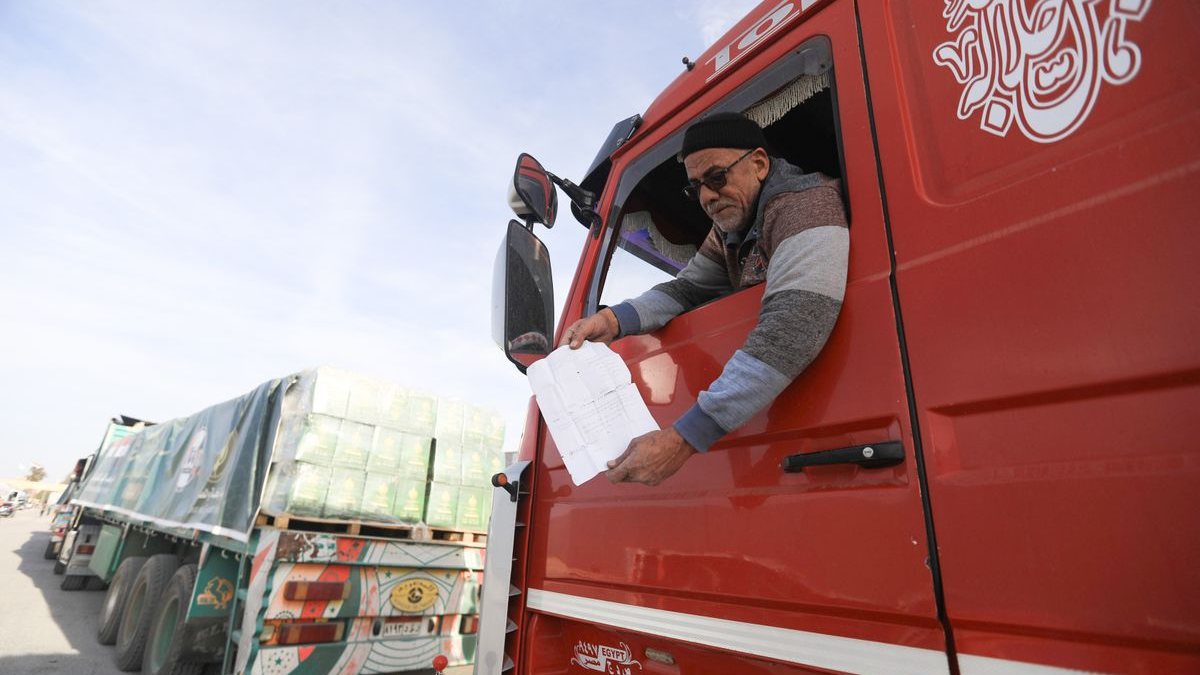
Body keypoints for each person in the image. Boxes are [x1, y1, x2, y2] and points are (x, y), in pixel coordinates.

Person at [561, 112, 849, 486]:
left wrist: (682, 438)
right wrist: (612, 321)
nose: (708, 197)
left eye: (717, 177)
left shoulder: (803, 205)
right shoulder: (729, 230)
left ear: (759, 164)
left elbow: (794, 325)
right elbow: (687, 288)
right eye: (696, 186)